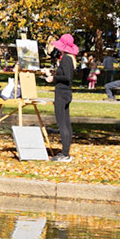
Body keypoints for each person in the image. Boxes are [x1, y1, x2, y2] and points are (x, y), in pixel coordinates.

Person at [49, 33, 79, 161]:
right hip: (66, 93)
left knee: (62, 124)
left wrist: (53, 78)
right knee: (66, 123)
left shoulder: (66, 59)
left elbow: (67, 77)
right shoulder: (69, 59)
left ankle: (65, 153)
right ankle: (65, 151)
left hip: (62, 93)